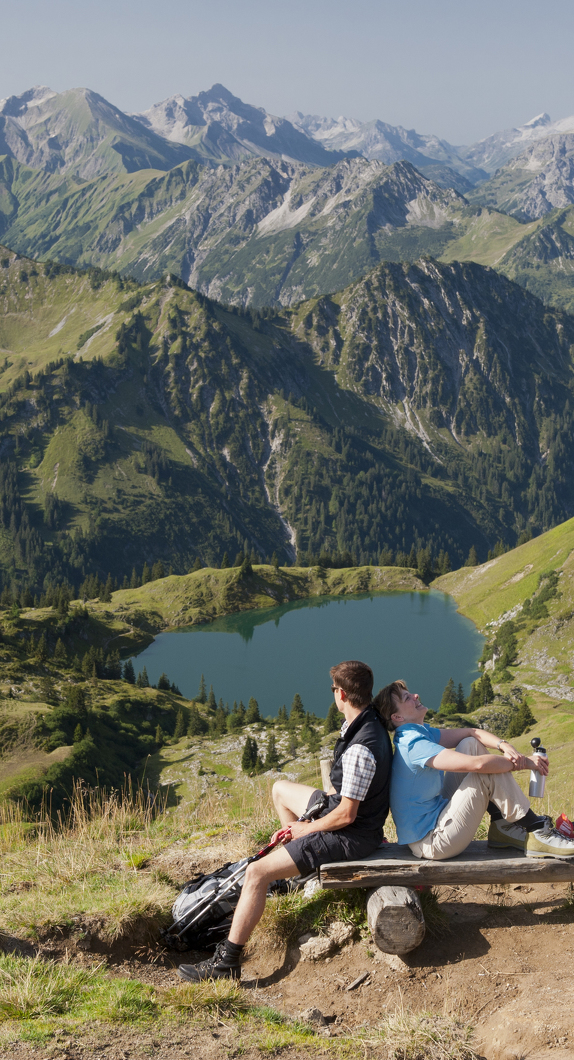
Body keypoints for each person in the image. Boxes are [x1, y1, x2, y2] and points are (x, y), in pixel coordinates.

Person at [177, 659, 392, 982]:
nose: (333, 694)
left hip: (352, 835)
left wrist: (307, 829)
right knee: (280, 790)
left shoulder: (363, 745)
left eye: (334, 690)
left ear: (342, 695)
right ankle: (297, 870)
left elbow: (347, 814)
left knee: (256, 873)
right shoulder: (366, 720)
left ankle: (227, 963)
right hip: (347, 817)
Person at [374, 679, 574, 860]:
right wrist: (525, 763)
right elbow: (478, 765)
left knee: (469, 743)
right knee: (483, 772)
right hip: (432, 842)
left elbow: (472, 732)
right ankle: (537, 830)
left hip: (435, 816)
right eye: (407, 697)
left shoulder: (418, 732)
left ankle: (501, 826)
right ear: (397, 716)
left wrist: (505, 746)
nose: (415, 696)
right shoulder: (413, 744)